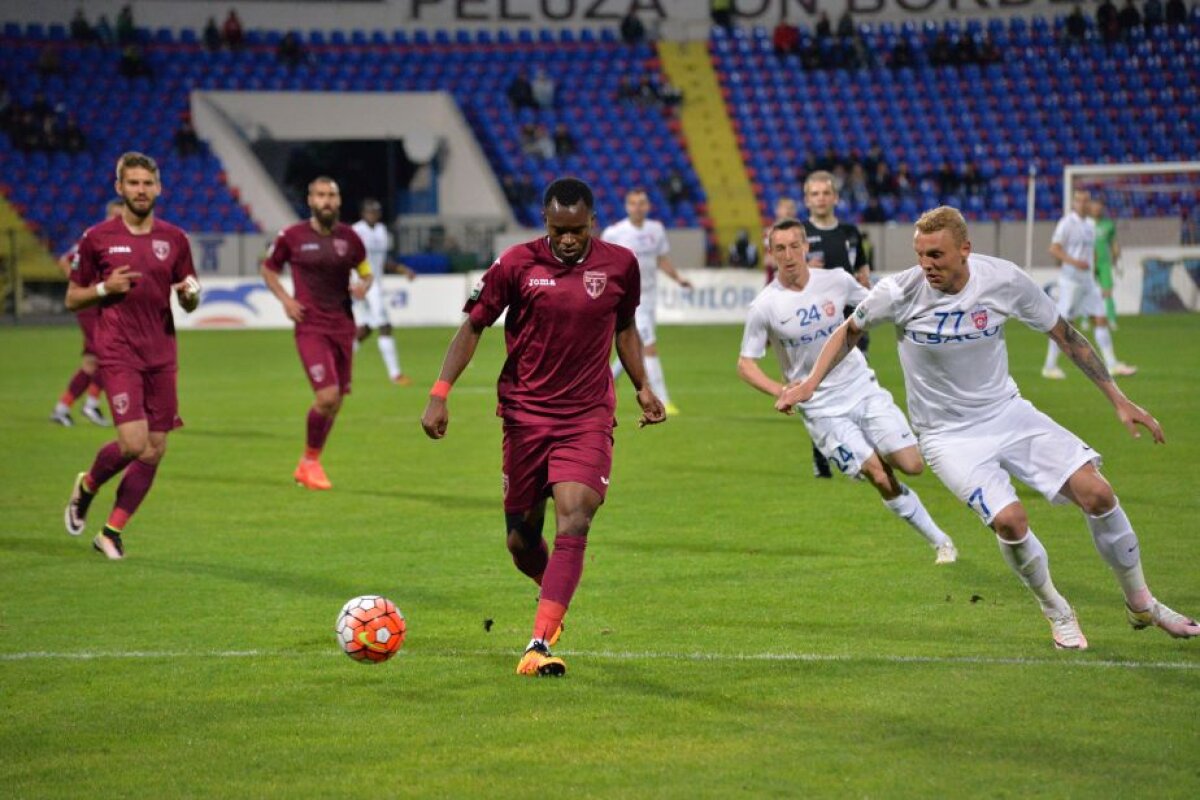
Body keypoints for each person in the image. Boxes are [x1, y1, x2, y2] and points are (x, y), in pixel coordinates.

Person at [778, 206, 1199, 649]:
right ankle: (1056, 608)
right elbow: (847, 331)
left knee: (1099, 493)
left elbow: (1065, 334)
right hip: (947, 436)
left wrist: (1118, 399)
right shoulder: (899, 291)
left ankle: (1142, 604)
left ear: (965, 250)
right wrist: (809, 384)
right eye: (921, 255)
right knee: (1011, 522)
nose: (927, 265)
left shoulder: (1004, 281)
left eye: (937, 255)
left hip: (1008, 412)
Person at [420, 177, 666, 677]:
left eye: (576, 230)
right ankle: (551, 587)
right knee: (520, 542)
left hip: (587, 416)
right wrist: (439, 394)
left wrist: (642, 384)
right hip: (525, 416)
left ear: (592, 222)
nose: (568, 239)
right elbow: (472, 327)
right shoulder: (515, 264)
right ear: (545, 221)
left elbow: (624, 327)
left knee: (575, 516)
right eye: (559, 229)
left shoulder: (620, 265)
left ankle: (539, 641)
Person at [740, 220, 958, 564]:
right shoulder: (764, 306)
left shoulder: (837, 281)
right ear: (771, 254)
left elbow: (878, 305)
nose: (789, 255)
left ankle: (873, 452)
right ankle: (940, 541)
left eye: (795, 245)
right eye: (779, 248)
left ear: (806, 247)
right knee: (877, 475)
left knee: (911, 464)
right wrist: (780, 389)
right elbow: (745, 363)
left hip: (861, 388)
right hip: (821, 409)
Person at [63, 152, 201, 560]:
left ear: (158, 188)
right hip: (119, 351)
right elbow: (72, 297)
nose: (141, 190)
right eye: (133, 183)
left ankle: (111, 532)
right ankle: (88, 485)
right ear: (119, 188)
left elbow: (188, 296)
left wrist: (191, 296)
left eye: (147, 183)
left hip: (162, 352)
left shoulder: (175, 239)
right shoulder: (97, 238)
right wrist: (106, 289)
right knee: (133, 443)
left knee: (156, 448)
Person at [262, 177, 370, 491]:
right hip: (310, 326)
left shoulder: (350, 238)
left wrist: (365, 285)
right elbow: (269, 268)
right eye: (320, 195)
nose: (326, 201)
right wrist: (286, 300)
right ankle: (310, 461)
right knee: (327, 396)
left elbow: (365, 271)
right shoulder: (292, 236)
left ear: (338, 201)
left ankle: (309, 462)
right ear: (310, 200)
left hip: (343, 325)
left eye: (331, 195)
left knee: (336, 401)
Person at [802, 170, 870, 478]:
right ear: (807, 199)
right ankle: (821, 450)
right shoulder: (798, 235)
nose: (820, 198)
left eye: (825, 193)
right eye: (814, 194)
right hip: (817, 323)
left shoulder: (851, 232)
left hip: (851, 319)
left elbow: (863, 270)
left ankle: (857, 450)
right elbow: (782, 274)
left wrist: (864, 287)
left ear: (835, 197)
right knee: (819, 388)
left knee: (855, 384)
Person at [602, 187, 692, 417]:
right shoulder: (615, 233)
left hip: (650, 297)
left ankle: (604, 384)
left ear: (648, 206)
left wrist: (678, 278)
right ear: (627, 206)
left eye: (642, 203)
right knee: (648, 346)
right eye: (634, 203)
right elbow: (603, 264)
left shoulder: (656, 230)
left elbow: (661, 259)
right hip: (628, 298)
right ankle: (663, 399)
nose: (638, 207)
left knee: (637, 346)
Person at [1042, 189, 1136, 379]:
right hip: (1071, 281)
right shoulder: (1066, 223)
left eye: (1086, 200)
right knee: (1063, 324)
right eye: (1079, 200)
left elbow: (1090, 251)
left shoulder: (1090, 225)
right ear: (1073, 203)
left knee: (1101, 318)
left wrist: (1092, 268)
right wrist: (1075, 262)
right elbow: (1054, 249)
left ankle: (1111, 364)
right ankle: (1049, 366)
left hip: (1088, 281)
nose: (1083, 204)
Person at [51, 198, 126, 428]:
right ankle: (91, 404)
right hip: (91, 306)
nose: (117, 220)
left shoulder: (123, 240)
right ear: (106, 215)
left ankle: (63, 408)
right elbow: (65, 260)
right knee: (109, 356)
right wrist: (80, 286)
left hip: (105, 306)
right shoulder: (95, 238)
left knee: (92, 362)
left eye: (120, 216)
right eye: (113, 215)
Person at [351, 198, 416, 385]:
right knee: (385, 325)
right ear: (363, 213)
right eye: (370, 211)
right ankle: (395, 374)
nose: (373, 214)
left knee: (366, 328)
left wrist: (402, 269)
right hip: (363, 284)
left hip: (375, 283)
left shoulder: (381, 231)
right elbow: (348, 257)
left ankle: (340, 364)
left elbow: (381, 261)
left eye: (376, 211)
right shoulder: (356, 231)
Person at [1089, 197, 1121, 328]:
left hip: (1104, 262)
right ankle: (1088, 319)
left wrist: (1116, 256)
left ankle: (1111, 319)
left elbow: (1113, 243)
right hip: (1088, 263)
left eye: (1099, 207)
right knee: (1089, 291)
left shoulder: (1108, 224)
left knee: (1107, 291)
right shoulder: (1085, 224)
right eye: (1094, 206)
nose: (1096, 209)